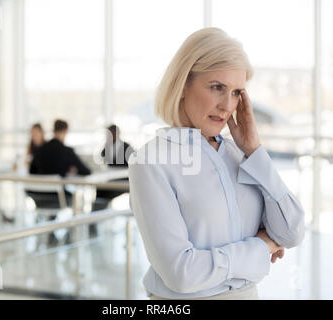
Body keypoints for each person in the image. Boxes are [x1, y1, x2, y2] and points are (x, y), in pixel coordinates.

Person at [128, 28, 305, 300]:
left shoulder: (240, 155)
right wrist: (261, 246)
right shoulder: (151, 161)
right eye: (216, 87)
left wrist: (255, 151)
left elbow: (291, 232)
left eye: (236, 92)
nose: (226, 105)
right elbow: (182, 273)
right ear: (183, 84)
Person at [28, 119, 91, 244]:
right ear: (66, 131)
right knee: (74, 198)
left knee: (57, 192)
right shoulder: (66, 151)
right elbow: (86, 171)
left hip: (38, 198)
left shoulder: (40, 150)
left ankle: (53, 234)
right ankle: (70, 236)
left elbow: (31, 172)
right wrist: (72, 170)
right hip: (57, 198)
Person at [93, 124, 133, 210]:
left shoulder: (126, 147)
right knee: (100, 188)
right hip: (110, 177)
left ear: (117, 133)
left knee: (106, 190)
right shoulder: (106, 147)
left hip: (123, 179)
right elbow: (102, 159)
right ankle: (97, 214)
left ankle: (101, 211)